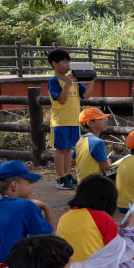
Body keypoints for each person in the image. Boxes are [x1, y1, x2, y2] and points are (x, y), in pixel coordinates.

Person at [0, 161, 53, 268]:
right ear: (14, 186)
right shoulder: (26, 205)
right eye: (27, 183)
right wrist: (45, 207)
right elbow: (49, 237)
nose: (30, 188)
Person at [48, 49, 90, 190]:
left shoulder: (75, 81)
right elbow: (63, 99)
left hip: (73, 121)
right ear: (55, 64)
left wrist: (92, 80)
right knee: (60, 150)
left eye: (68, 62)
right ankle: (60, 178)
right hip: (60, 122)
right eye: (64, 62)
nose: (67, 65)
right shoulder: (54, 81)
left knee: (67, 150)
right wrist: (67, 83)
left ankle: (67, 175)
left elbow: (87, 95)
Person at [74, 107, 112, 183]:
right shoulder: (98, 142)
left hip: (81, 183)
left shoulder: (80, 141)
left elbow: (72, 161)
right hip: (94, 184)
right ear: (90, 123)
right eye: (102, 119)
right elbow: (106, 168)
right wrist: (108, 162)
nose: (105, 122)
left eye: (105, 119)